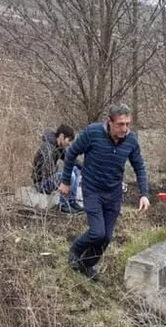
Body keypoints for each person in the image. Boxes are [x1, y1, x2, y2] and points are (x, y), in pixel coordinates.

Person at [60, 104, 150, 280]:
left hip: (113, 193)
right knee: (97, 233)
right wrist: (65, 182)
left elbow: (139, 167)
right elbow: (71, 153)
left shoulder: (131, 140)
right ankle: (75, 251)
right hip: (92, 189)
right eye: (120, 124)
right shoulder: (92, 133)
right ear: (109, 122)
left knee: (106, 237)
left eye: (127, 124)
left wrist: (144, 194)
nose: (125, 129)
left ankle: (86, 265)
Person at [31, 124, 83, 214]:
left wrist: (84, 166)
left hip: (50, 177)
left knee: (75, 169)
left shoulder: (58, 146)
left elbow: (69, 159)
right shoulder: (48, 148)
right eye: (69, 140)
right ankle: (63, 205)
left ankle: (72, 201)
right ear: (62, 136)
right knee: (70, 176)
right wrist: (58, 173)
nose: (69, 143)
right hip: (42, 183)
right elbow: (44, 172)